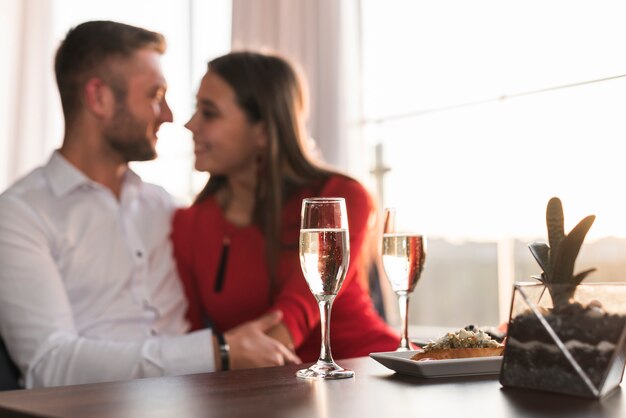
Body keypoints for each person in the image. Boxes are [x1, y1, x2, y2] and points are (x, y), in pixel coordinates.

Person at [0, 21, 297, 389]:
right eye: (155, 95)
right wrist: (217, 352)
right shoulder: (20, 215)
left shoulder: (167, 209)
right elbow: (50, 364)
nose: (169, 115)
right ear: (99, 98)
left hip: (204, 400)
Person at [172, 51, 399, 363]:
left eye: (209, 113)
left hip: (368, 371)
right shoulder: (189, 224)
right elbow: (193, 340)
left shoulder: (339, 198)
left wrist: (227, 357)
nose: (190, 124)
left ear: (263, 131)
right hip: (266, 394)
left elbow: (295, 314)